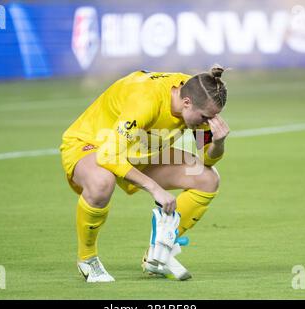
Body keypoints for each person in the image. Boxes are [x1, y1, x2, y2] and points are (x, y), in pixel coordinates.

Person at [60, 65, 231, 282]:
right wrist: (154, 188)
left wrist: (219, 142)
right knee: (102, 181)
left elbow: (207, 157)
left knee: (207, 178)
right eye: (206, 118)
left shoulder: (198, 94)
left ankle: (158, 253)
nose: (208, 123)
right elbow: (108, 156)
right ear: (186, 103)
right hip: (93, 144)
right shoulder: (146, 100)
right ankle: (88, 258)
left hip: (139, 150)